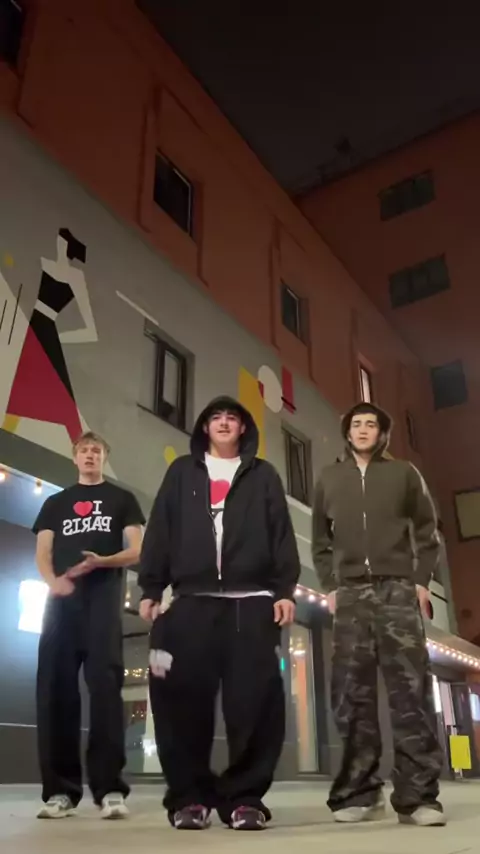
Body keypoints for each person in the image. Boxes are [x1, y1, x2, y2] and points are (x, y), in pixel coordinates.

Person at [139, 396, 300, 831]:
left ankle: (244, 798)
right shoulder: (181, 473)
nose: (224, 423)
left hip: (252, 603)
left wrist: (284, 590)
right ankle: (189, 798)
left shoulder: (263, 475)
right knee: (181, 702)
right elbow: (160, 529)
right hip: (192, 601)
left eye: (232, 418)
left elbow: (281, 533)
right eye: (216, 417)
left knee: (255, 703)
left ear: (244, 428)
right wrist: (151, 586)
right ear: (205, 427)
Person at [312, 402, 445, 828]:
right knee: (351, 694)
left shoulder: (404, 473)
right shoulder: (329, 477)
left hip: (397, 590)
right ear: (347, 432)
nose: (364, 429)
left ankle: (418, 797)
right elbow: (320, 540)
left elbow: (427, 531)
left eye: (371, 424)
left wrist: (420, 580)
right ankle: (359, 793)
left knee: (411, 691)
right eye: (357, 424)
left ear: (382, 432)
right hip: (351, 593)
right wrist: (331, 585)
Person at [34, 431, 145, 820]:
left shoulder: (122, 499)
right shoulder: (55, 503)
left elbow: (137, 550)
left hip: (103, 605)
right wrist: (54, 582)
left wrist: (102, 561)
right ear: (75, 457)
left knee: (106, 692)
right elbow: (43, 552)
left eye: (97, 450)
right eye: (84, 450)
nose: (90, 455)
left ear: (104, 457)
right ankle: (60, 793)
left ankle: (110, 790)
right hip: (61, 606)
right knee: (55, 693)